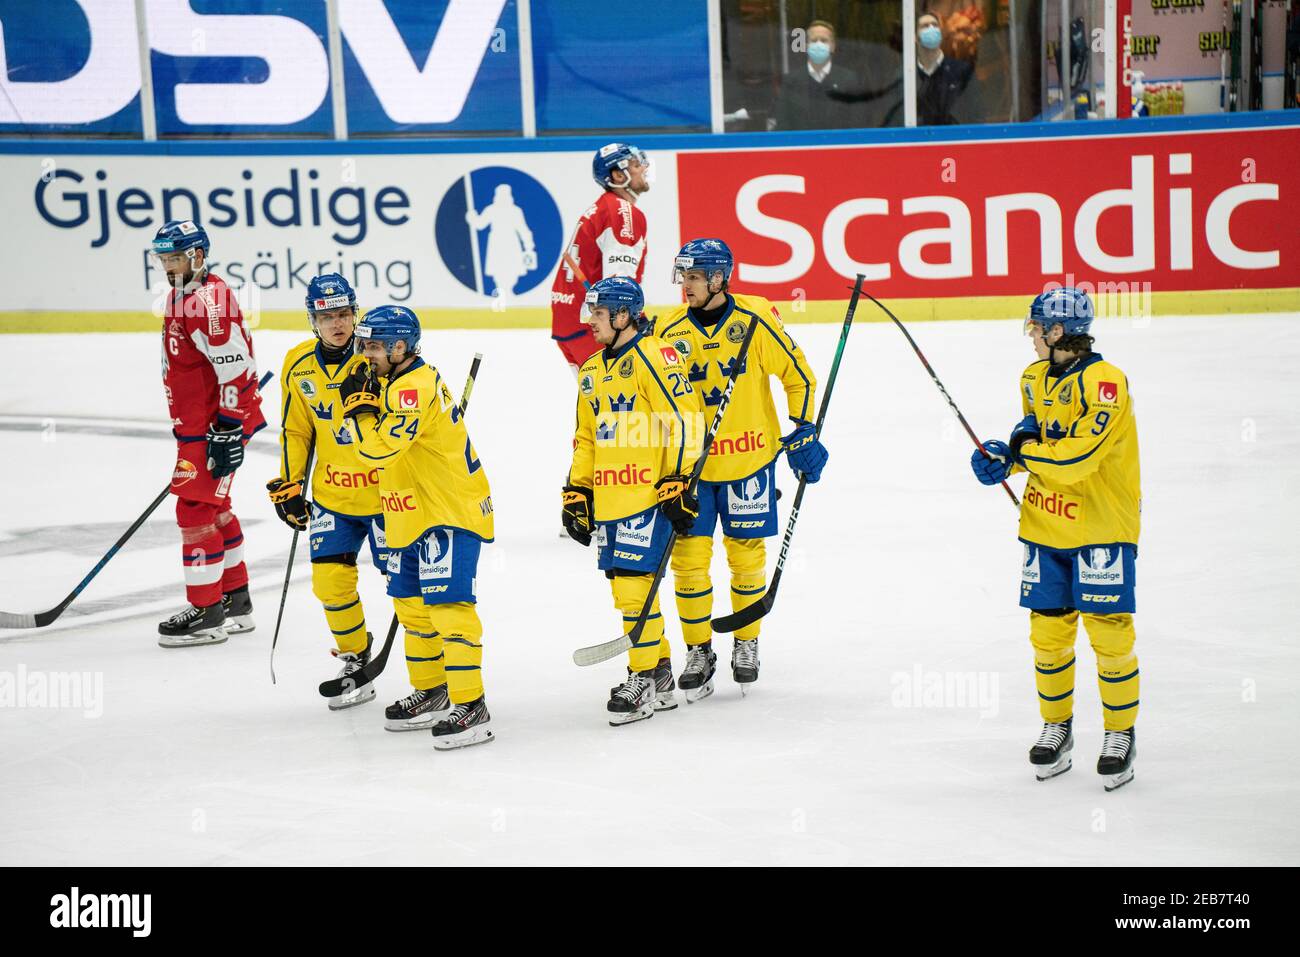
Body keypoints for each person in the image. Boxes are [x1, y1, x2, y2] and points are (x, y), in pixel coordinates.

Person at [969, 286, 1140, 791]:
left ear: (1058, 331)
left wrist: (1026, 451)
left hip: (1101, 528)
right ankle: (1057, 727)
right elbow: (1039, 440)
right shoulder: (1033, 378)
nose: (1032, 337)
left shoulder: (1107, 383)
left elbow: (1075, 459)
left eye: (1037, 328)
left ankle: (1119, 734)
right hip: (1044, 528)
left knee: (1110, 636)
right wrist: (1006, 460)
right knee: (1048, 635)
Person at [656, 239, 824, 701]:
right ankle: (698, 650)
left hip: (750, 459)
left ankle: (746, 643)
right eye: (682, 277)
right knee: (688, 563)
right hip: (691, 469)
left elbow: (799, 376)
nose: (684, 286)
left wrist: (805, 427)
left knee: (746, 556)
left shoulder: (756, 319)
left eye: (692, 277)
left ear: (717, 278)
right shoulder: (666, 328)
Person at [339, 306, 495, 748]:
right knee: (410, 606)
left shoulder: (413, 387)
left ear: (399, 347)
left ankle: (473, 705)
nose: (364, 354)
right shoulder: (394, 382)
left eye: (371, 346)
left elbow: (377, 452)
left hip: (447, 513)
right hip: (409, 512)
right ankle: (432, 691)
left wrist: (362, 413)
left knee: (449, 609)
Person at [562, 277, 702, 726]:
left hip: (649, 495)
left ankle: (641, 676)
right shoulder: (590, 370)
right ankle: (659, 672)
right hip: (610, 498)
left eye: (598, 314)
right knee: (625, 588)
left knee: (633, 588)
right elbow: (586, 437)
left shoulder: (655, 356)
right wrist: (577, 490)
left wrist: (679, 480)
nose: (590, 322)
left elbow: (686, 420)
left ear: (623, 316)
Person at [267, 274, 389, 712]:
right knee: (329, 584)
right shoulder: (298, 364)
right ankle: (356, 658)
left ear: (355, 314)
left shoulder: (378, 355)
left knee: (408, 591)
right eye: (326, 316)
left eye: (343, 314)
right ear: (311, 320)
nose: (337, 324)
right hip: (333, 497)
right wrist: (289, 483)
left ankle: (431, 676)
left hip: (386, 497)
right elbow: (295, 429)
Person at [153, 219, 266, 648]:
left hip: (213, 427)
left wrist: (228, 428)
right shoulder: (184, 295)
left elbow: (237, 368)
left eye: (176, 257)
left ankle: (206, 611)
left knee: (194, 511)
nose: (169, 265)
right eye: (164, 258)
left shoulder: (205, 302)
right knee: (215, 509)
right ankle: (235, 603)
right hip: (202, 425)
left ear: (198, 255)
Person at [550, 143, 651, 375]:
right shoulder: (623, 212)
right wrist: (638, 320)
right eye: (636, 165)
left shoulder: (602, 208)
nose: (643, 168)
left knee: (595, 403)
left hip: (571, 324)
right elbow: (619, 280)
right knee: (619, 400)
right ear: (618, 175)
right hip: (595, 327)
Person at [770, 19, 862, 131]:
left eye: (824, 40)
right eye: (814, 40)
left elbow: (856, 125)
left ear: (833, 46)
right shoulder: (791, 81)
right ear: (806, 46)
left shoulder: (849, 80)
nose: (819, 44)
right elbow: (782, 126)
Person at [913, 13, 973, 126]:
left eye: (935, 25)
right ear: (915, 37)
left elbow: (975, 115)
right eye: (925, 26)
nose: (931, 29)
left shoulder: (961, 71)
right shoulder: (907, 76)